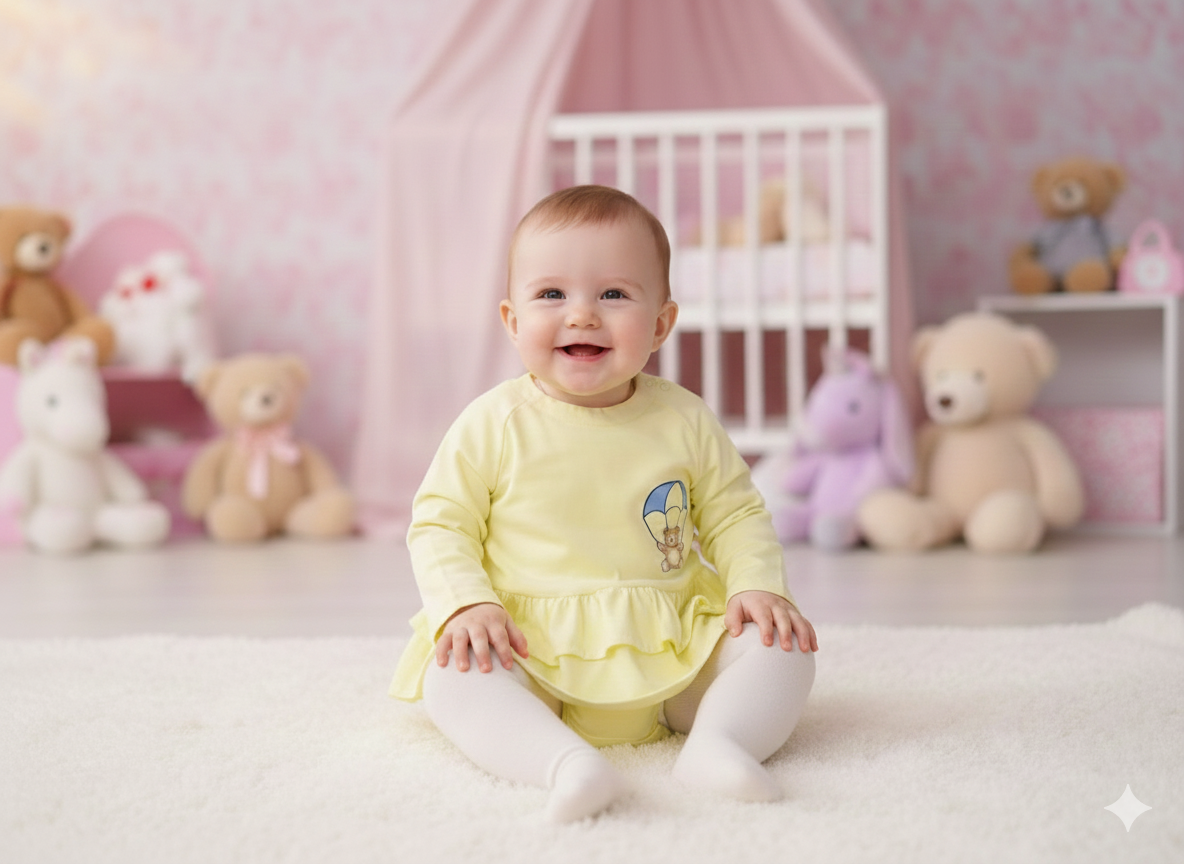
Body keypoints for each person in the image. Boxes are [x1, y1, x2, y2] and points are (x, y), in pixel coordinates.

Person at [390, 185, 817, 822]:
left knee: (784, 649)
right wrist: (466, 605)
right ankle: (564, 763)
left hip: (671, 636)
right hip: (531, 644)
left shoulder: (683, 418)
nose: (583, 314)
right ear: (512, 321)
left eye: (613, 294)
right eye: (551, 294)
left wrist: (756, 587)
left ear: (661, 323)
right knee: (453, 677)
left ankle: (720, 743)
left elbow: (734, 513)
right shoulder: (494, 422)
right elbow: (440, 522)